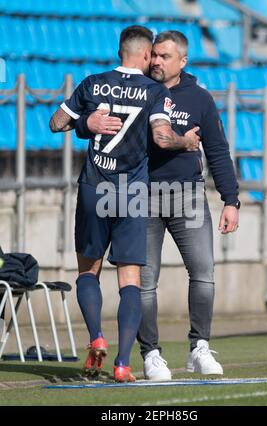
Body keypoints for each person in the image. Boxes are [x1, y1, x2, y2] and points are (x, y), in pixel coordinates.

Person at [75, 30, 240, 381]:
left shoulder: (199, 98)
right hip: (142, 197)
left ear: (183, 61)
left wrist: (231, 200)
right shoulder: (142, 92)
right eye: (154, 55)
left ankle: (200, 347)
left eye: (164, 57)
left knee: (203, 273)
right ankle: (150, 353)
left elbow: (218, 150)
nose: (156, 62)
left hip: (188, 195)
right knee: (144, 282)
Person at [49, 26, 200, 383]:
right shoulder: (154, 90)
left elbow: (56, 123)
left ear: (121, 51)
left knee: (89, 270)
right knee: (129, 278)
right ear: (146, 55)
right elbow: (163, 137)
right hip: (131, 191)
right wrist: (186, 142)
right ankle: (121, 364)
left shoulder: (92, 83)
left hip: (94, 186)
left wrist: (86, 122)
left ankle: (95, 337)